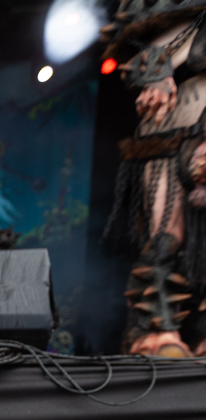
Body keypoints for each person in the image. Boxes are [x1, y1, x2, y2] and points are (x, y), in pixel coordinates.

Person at [102, 2, 206, 356]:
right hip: (171, 132)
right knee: (166, 236)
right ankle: (155, 329)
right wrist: (157, 74)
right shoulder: (172, 15)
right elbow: (131, 45)